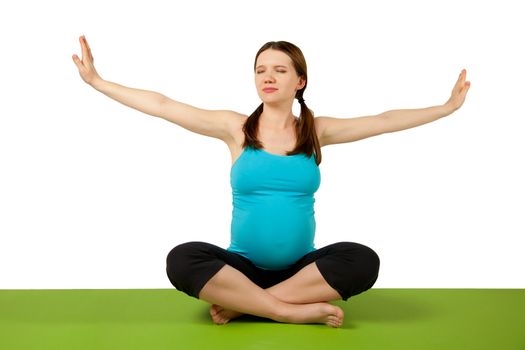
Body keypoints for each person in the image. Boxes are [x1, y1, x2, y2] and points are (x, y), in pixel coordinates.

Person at [72, 35, 470, 328]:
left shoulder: (317, 131)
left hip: (303, 271)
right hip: (240, 268)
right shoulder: (236, 129)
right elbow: (163, 106)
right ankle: (284, 311)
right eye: (261, 70)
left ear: (299, 81)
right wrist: (99, 82)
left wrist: (446, 107)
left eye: (280, 70)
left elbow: (384, 121)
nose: (268, 76)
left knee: (363, 259)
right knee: (181, 258)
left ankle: (246, 307)